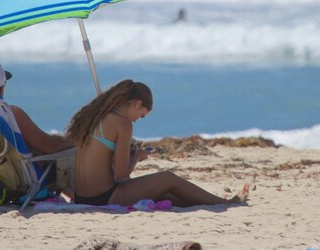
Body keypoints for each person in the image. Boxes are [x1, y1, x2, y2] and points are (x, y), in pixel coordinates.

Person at [65, 79, 249, 207]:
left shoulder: (94, 117)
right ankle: (226, 203)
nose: (138, 119)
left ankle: (211, 201)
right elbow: (121, 174)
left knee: (165, 194)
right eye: (142, 115)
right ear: (137, 104)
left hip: (81, 196)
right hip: (103, 197)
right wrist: (137, 156)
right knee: (167, 178)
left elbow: (100, 159)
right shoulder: (123, 123)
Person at [0, 60, 73, 156]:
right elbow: (49, 146)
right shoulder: (11, 114)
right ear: (1, 88)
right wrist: (73, 140)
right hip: (14, 168)